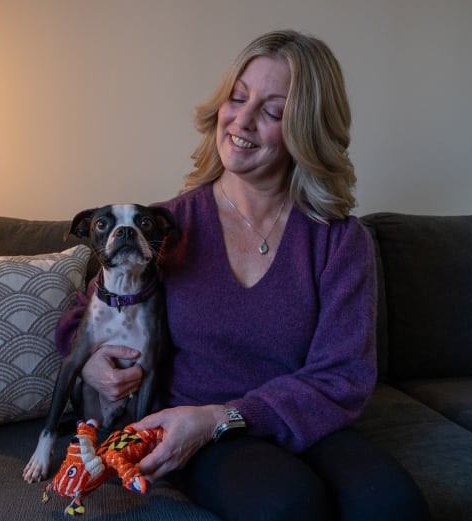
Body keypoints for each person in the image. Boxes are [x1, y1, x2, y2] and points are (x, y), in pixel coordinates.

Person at [56, 29, 430, 521]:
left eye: (272, 111)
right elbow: (81, 317)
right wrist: (88, 364)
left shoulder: (339, 240)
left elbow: (343, 376)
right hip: (189, 427)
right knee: (286, 505)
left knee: (393, 505)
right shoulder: (167, 227)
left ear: (308, 132)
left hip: (301, 420)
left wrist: (226, 416)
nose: (243, 120)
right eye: (237, 98)